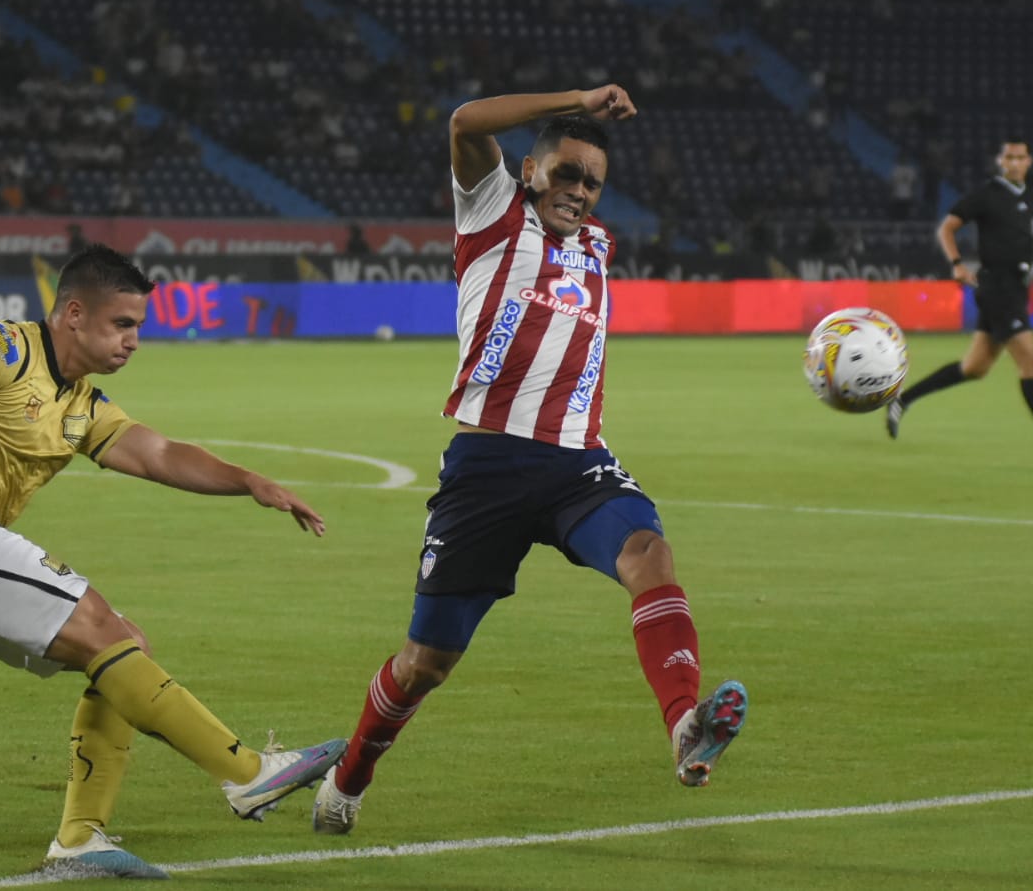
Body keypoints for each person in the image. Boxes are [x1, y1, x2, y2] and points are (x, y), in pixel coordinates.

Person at [309, 86, 749, 836]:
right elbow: (461, 122)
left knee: (649, 554)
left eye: (591, 182)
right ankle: (348, 776)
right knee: (425, 661)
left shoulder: (598, 245)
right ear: (528, 171)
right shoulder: (490, 217)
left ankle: (683, 724)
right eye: (566, 173)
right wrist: (578, 98)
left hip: (579, 460)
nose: (578, 191)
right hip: (486, 464)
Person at [0, 244, 346, 878]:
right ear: (76, 314)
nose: (135, 340)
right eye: (123, 324)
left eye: (138, 326)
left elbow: (159, 454)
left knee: (121, 647)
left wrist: (249, 481)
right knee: (107, 631)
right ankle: (247, 772)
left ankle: (81, 839)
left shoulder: (81, 405)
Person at [886, 139, 1033, 462]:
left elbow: (1032, 237)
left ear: (1029, 161)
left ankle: (902, 400)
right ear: (1001, 161)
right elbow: (948, 227)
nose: (1014, 162)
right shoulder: (988, 195)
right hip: (998, 287)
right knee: (1030, 361)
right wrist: (956, 263)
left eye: (1020, 157)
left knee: (974, 368)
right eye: (1009, 157)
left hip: (1016, 287)